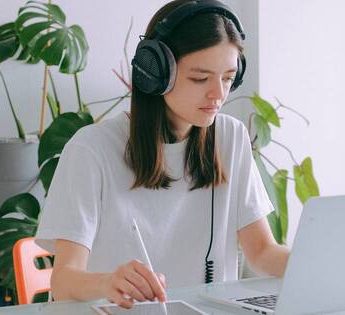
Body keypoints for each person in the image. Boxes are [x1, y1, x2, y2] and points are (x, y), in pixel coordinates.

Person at [34, 0, 290, 309]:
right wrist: (107, 282)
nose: (218, 94)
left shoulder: (230, 137)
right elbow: (63, 280)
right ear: (154, 73)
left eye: (227, 77)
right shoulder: (91, 149)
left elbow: (261, 251)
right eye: (200, 78)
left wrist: (323, 262)